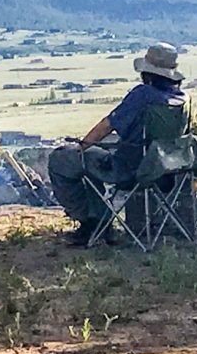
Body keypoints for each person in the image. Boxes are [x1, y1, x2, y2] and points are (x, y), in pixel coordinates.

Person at [47, 42, 186, 246]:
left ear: (147, 73)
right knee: (88, 166)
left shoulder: (143, 95)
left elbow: (107, 125)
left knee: (61, 160)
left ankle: (91, 223)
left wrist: (82, 146)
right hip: (166, 169)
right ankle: (98, 222)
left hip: (130, 169)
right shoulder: (182, 98)